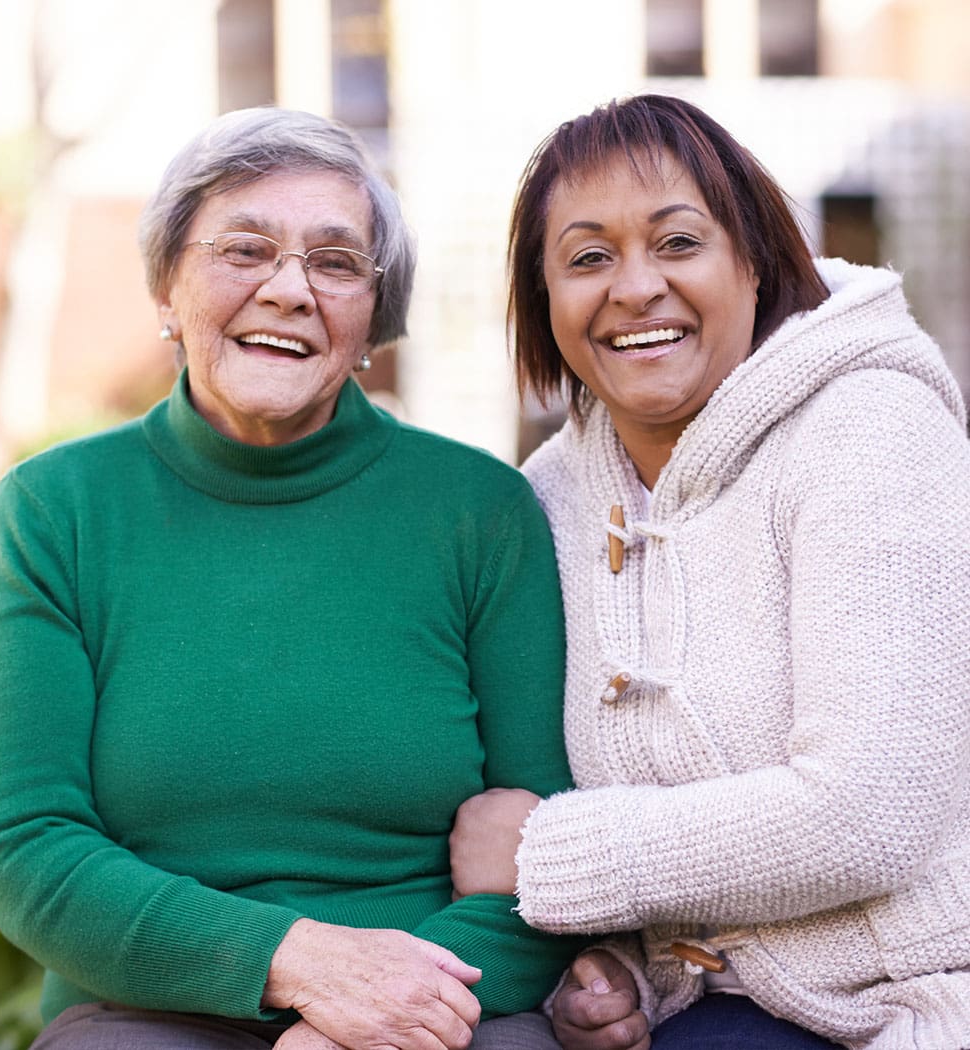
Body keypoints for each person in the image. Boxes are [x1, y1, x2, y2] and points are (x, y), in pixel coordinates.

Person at [0, 107, 584, 1050]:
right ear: (167, 289)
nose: (291, 288)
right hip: (146, 1008)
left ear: (372, 319)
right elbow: (26, 847)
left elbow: (545, 847)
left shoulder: (481, 511)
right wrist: (295, 968)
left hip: (444, 997)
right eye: (244, 249)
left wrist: (369, 1019)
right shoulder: (56, 512)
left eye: (336, 263)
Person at [449, 93, 970, 1050]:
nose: (635, 287)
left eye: (678, 243)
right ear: (543, 300)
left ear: (758, 262)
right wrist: (618, 973)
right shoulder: (551, 498)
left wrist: (545, 857)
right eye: (588, 257)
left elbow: (871, 810)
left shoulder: (872, 430)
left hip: (912, 1001)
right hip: (706, 1021)